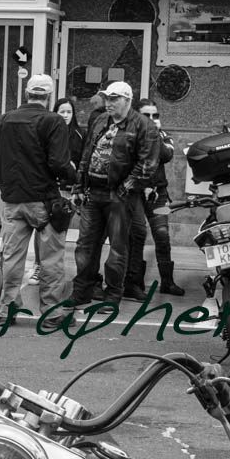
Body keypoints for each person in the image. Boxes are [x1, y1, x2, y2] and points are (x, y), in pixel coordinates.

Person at [0, 74, 74, 325]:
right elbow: (58, 163)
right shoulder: (53, 121)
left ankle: (6, 309)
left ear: (26, 93)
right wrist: (73, 176)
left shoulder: (4, 120)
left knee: (11, 257)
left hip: (12, 200)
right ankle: (52, 313)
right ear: (49, 96)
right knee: (51, 259)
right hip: (44, 199)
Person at [69, 81, 160, 305]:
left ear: (127, 101)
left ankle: (112, 297)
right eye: (107, 98)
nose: (108, 103)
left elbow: (148, 165)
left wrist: (124, 189)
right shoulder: (100, 119)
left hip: (119, 197)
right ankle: (82, 292)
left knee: (118, 250)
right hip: (93, 193)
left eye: (114, 99)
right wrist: (79, 187)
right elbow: (86, 154)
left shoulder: (144, 126)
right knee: (85, 246)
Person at [128, 98, 185, 296]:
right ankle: (135, 283)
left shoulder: (162, 135)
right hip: (135, 192)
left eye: (155, 115)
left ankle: (167, 283)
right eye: (147, 115)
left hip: (158, 194)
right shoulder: (130, 134)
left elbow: (166, 155)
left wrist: (154, 133)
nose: (152, 119)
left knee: (162, 235)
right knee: (136, 236)